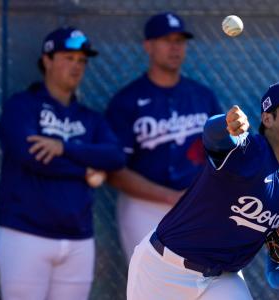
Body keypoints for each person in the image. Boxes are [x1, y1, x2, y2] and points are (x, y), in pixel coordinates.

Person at [126, 79, 279, 299]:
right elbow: (213, 137)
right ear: (267, 118)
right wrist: (226, 124)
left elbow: (276, 277)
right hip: (162, 269)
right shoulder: (247, 150)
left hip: (222, 280)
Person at [0, 27, 125, 300]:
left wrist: (64, 147)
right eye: (68, 57)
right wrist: (85, 169)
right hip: (25, 233)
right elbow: (32, 157)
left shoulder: (90, 118)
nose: (76, 66)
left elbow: (115, 157)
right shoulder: (22, 106)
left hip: (78, 237)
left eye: (82, 61)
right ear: (47, 60)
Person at [105, 12, 222, 260]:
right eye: (166, 40)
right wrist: (170, 197)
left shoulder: (202, 96)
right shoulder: (126, 101)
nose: (175, 47)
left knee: (207, 283)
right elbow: (115, 171)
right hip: (143, 206)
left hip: (195, 205)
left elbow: (222, 154)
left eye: (180, 40)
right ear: (148, 46)